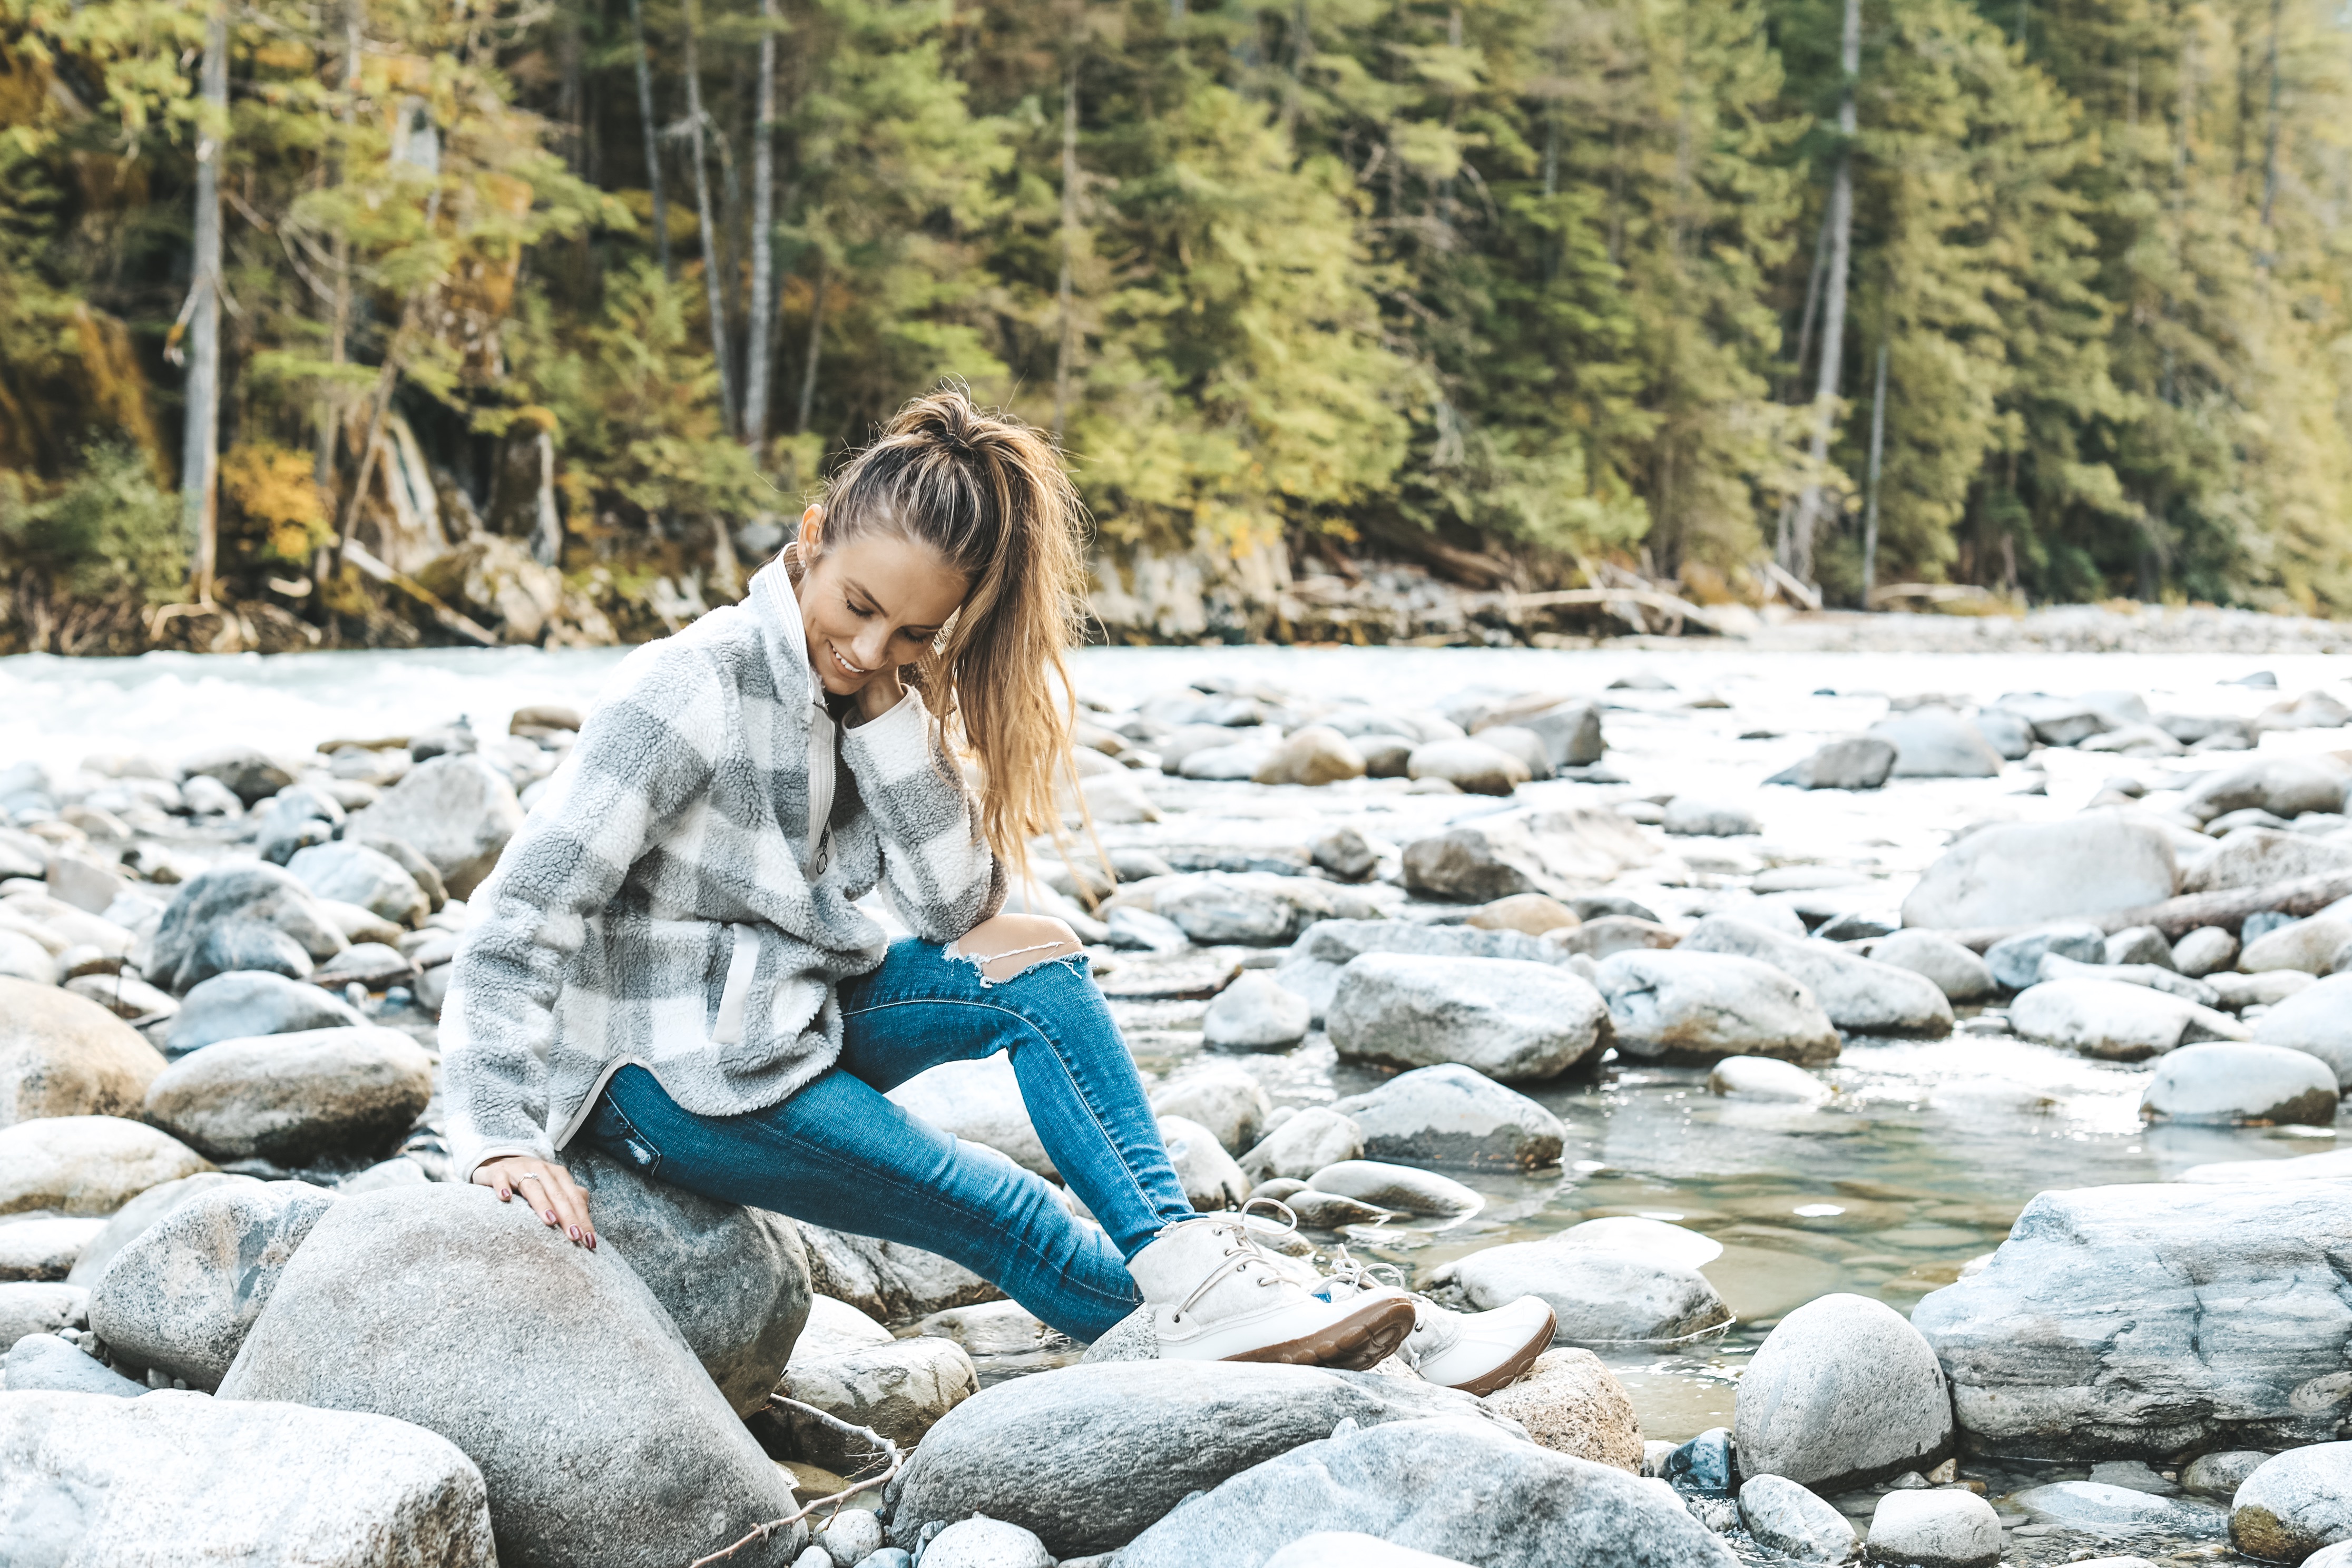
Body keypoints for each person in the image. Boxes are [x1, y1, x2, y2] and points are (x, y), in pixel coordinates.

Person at [440, 385, 1553, 1388]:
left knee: (1037, 963)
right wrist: (498, 1131)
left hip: (788, 1013)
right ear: (812, 539)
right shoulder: (688, 686)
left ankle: (1238, 1286)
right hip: (672, 1072)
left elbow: (954, 910)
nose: (872, 648)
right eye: (858, 608)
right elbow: (525, 913)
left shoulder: (874, 695)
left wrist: (891, 721)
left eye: (915, 632)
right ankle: (1369, 1367)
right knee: (1010, 1211)